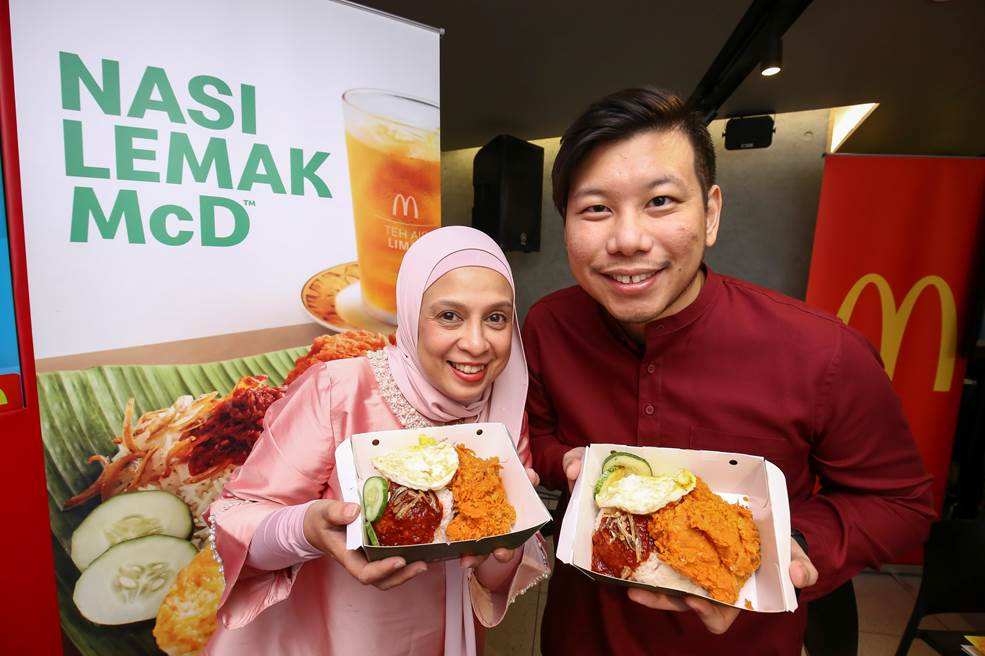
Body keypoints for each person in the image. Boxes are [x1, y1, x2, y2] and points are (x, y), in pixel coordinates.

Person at [523, 88, 935, 655]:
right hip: (582, 638)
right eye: (596, 208)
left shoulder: (823, 352)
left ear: (711, 212)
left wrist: (790, 542)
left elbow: (900, 502)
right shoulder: (549, 327)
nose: (627, 240)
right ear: (566, 224)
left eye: (661, 202)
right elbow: (541, 435)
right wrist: (562, 461)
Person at [205, 226, 549, 655]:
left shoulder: (504, 409)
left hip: (441, 637)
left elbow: (490, 576)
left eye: (496, 317)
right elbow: (235, 519)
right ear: (408, 312)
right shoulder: (339, 390)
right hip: (327, 636)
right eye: (449, 316)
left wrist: (504, 546)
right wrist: (307, 528)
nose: (477, 343)